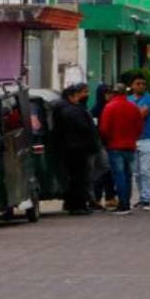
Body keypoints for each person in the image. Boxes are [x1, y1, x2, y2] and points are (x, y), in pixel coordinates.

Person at [98, 83, 143, 215]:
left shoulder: (109, 107)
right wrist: (133, 138)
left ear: (114, 93)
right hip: (130, 145)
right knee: (128, 174)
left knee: (119, 175)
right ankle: (127, 202)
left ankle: (123, 204)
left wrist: (107, 140)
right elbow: (139, 127)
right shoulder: (133, 107)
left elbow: (104, 129)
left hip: (114, 145)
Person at [54, 83, 97, 215]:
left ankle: (73, 203)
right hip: (77, 148)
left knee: (73, 177)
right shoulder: (72, 110)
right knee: (79, 177)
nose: (79, 98)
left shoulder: (61, 108)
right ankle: (78, 205)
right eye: (77, 96)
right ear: (71, 97)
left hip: (68, 147)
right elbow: (83, 128)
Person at [128, 74, 150, 211]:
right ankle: (141, 198)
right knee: (136, 172)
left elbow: (142, 114)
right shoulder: (129, 99)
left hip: (146, 138)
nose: (141, 86)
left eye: (143, 84)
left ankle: (146, 199)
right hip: (132, 138)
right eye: (138, 83)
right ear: (132, 86)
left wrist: (128, 115)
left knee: (145, 171)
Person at [89, 82, 116, 209]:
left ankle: (110, 197)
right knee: (101, 171)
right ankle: (97, 198)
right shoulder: (96, 110)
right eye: (107, 93)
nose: (110, 96)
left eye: (111, 93)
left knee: (109, 172)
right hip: (100, 144)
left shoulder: (112, 107)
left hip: (112, 143)